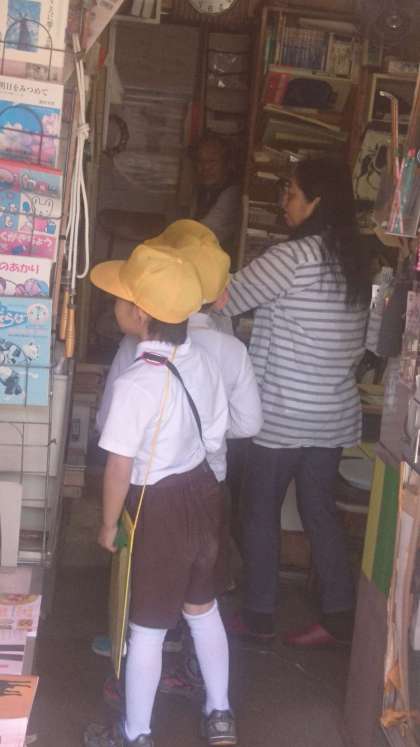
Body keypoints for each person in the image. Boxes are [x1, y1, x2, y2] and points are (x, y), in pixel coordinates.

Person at [95, 220, 263, 701]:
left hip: (155, 500)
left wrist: (107, 523)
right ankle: (218, 708)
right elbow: (233, 427)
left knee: (146, 621)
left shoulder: (135, 370)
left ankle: (137, 725)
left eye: (122, 298)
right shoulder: (216, 358)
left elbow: (115, 451)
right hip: (206, 490)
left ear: (141, 310)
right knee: (202, 606)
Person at [223, 157, 371, 647]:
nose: (283, 201)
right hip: (332, 414)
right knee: (319, 509)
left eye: (290, 192)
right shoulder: (356, 262)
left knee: (259, 509)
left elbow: (227, 298)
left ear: (315, 202)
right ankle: (339, 616)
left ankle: (259, 614)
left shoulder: (291, 258)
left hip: (283, 414)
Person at [190, 134, 241, 267]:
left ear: (226, 164)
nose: (205, 168)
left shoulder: (232, 193)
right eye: (200, 161)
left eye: (212, 161)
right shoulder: (204, 188)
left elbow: (205, 231)